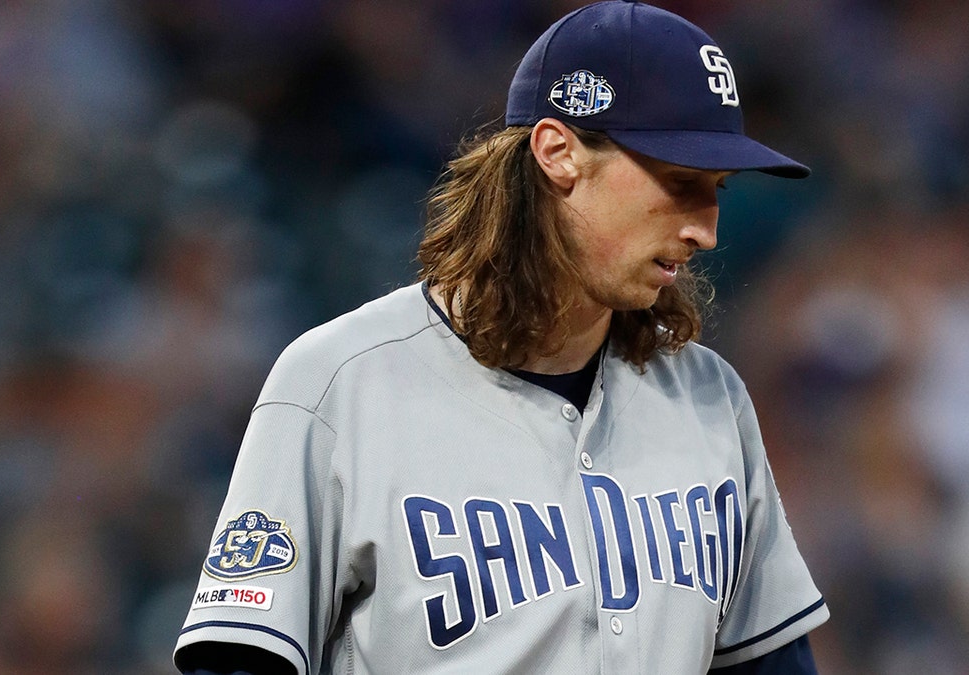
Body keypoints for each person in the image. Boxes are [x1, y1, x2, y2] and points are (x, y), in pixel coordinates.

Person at [173, 1, 828, 673]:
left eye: (716, 188)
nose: (707, 229)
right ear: (558, 152)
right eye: (682, 181)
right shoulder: (341, 381)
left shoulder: (710, 400)